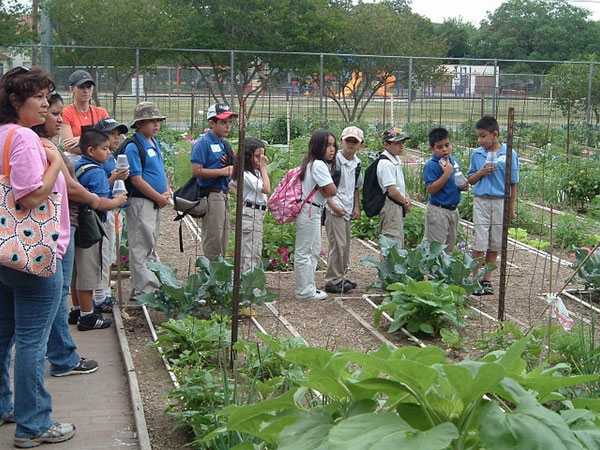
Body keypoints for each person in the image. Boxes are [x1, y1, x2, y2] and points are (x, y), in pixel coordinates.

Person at [0, 66, 76, 447]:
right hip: (35, 253)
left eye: (48, 98)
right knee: (33, 340)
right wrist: (57, 163)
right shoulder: (25, 140)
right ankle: (34, 425)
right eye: (39, 99)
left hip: (4, 251)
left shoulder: (1, 136)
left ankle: (3, 405)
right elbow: (29, 196)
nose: (46, 106)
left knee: (3, 335)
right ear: (16, 102)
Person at [31, 92, 100, 374]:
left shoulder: (43, 145)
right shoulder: (43, 147)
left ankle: (61, 354)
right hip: (54, 231)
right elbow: (62, 188)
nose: (60, 119)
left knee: (57, 295)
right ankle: (62, 357)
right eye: (53, 112)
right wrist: (96, 200)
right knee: (56, 295)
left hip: (55, 230)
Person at [73, 129, 127, 330]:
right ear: (91, 150)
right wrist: (118, 200)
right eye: (104, 149)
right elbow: (100, 203)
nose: (108, 152)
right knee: (89, 272)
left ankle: (78, 309)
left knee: (77, 270)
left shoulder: (80, 166)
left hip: (79, 224)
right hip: (93, 227)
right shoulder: (96, 172)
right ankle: (87, 317)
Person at [467, 115, 519, 296]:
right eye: (478, 137)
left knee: (495, 242)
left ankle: (486, 278)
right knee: (479, 241)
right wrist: (481, 172)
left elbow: (513, 183)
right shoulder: (477, 154)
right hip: (481, 200)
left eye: (483, 136)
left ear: (495, 134)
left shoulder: (509, 154)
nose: (480, 140)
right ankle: (475, 278)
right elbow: (470, 180)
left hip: (500, 201)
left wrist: (510, 208)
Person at [124, 102, 170, 299]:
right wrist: (159, 197)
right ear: (139, 124)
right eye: (151, 121)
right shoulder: (134, 147)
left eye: (157, 120)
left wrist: (166, 190)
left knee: (149, 243)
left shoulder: (153, 142)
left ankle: (141, 287)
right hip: (141, 202)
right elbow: (136, 179)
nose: (156, 124)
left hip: (154, 202)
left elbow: (157, 169)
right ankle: (146, 290)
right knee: (141, 244)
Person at [295, 130, 337, 301]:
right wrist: (329, 188)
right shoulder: (318, 165)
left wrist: (327, 189)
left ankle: (309, 287)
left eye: (334, 145)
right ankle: (304, 291)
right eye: (327, 145)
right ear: (318, 147)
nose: (332, 149)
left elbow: (328, 190)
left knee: (313, 251)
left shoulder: (313, 164)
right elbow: (332, 190)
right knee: (305, 251)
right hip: (310, 210)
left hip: (313, 209)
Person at [191, 103, 237, 261]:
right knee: (213, 238)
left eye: (230, 123)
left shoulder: (223, 143)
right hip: (212, 195)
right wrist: (222, 171)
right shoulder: (203, 143)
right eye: (223, 122)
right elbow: (196, 171)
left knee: (223, 237)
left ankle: (219, 273)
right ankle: (210, 275)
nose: (228, 126)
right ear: (212, 123)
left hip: (224, 194)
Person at [93, 118, 129, 312]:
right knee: (103, 253)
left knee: (110, 252)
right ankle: (100, 295)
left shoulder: (112, 157)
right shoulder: (98, 161)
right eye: (111, 134)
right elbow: (97, 189)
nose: (116, 138)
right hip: (104, 212)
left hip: (115, 209)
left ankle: (105, 289)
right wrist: (114, 177)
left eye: (117, 134)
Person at [324, 126, 363, 294]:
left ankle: (340, 276)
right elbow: (324, 186)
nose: (351, 144)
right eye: (348, 141)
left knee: (345, 245)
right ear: (342, 142)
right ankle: (332, 280)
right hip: (334, 208)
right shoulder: (333, 162)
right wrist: (332, 205)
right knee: (337, 244)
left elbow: (355, 187)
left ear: (360, 144)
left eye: (355, 142)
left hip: (346, 208)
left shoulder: (357, 163)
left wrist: (356, 206)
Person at [423, 127, 468, 254]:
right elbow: (431, 189)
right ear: (432, 148)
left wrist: (463, 186)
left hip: (453, 210)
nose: (444, 149)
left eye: (447, 145)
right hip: (438, 211)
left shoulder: (454, 162)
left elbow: (457, 180)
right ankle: (434, 274)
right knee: (436, 249)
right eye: (439, 147)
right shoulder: (431, 166)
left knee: (449, 247)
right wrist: (446, 174)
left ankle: (445, 274)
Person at [228, 138, 270, 272]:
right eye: (257, 156)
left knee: (250, 250)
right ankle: (250, 289)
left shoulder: (254, 173)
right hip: (251, 214)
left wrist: (243, 198)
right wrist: (264, 168)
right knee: (251, 253)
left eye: (263, 156)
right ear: (247, 156)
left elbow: (231, 184)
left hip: (255, 212)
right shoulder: (246, 174)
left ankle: (244, 285)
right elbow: (266, 188)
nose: (260, 160)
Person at [377, 127, 411, 249]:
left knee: (397, 241)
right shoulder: (386, 164)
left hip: (396, 205)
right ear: (386, 144)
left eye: (402, 143)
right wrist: (405, 203)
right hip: (391, 206)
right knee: (392, 243)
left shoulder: (394, 160)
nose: (401, 146)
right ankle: (388, 268)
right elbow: (391, 191)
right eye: (397, 143)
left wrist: (406, 196)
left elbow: (398, 185)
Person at [60, 70, 109, 153]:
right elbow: (70, 147)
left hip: (101, 158)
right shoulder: (66, 113)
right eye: (81, 87)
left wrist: (80, 139)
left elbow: (109, 141)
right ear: (72, 89)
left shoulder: (101, 112)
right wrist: (98, 143)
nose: (86, 91)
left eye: (89, 87)